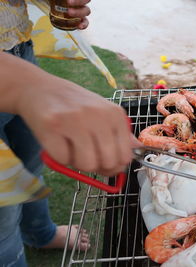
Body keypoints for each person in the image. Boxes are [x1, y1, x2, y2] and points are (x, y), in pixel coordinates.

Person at [0, 1, 141, 266]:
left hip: (17, 47)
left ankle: (40, 234)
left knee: (30, 161)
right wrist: (30, 88)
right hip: (15, 77)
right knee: (2, 214)